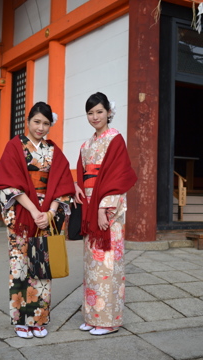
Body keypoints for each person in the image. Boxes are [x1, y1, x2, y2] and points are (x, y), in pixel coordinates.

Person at [0, 102, 75, 339]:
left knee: (42, 265)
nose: (40, 127)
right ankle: (20, 319)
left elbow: (63, 184)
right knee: (20, 266)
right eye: (36, 121)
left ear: (50, 125)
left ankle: (38, 318)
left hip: (46, 214)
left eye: (46, 123)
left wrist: (49, 213)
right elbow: (7, 182)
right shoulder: (15, 146)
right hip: (22, 211)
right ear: (28, 121)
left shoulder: (53, 151)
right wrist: (34, 211)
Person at [74, 92, 137, 336]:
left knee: (108, 264)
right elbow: (83, 174)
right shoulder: (86, 144)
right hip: (91, 207)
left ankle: (109, 320)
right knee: (91, 265)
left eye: (99, 111)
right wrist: (78, 186)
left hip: (107, 209)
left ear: (109, 112)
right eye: (90, 113)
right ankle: (92, 316)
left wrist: (104, 208)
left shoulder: (115, 139)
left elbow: (118, 177)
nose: (95, 117)